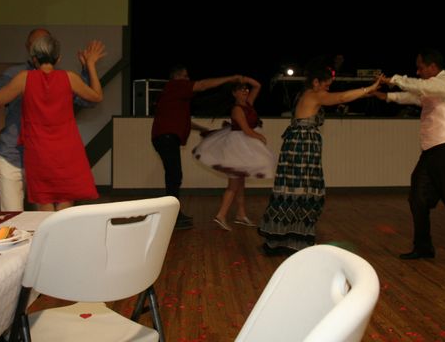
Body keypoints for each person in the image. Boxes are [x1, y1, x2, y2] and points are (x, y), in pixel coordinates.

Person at [0, 35, 105, 211]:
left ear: (34, 58)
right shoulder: (70, 77)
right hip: (67, 149)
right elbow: (97, 96)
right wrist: (90, 64)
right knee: (65, 201)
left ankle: (46, 238)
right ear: (58, 58)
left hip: (39, 149)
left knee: (44, 202)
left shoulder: (25, 78)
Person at [374, 48, 445, 270]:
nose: (418, 70)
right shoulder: (434, 88)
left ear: (433, 67)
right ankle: (424, 247)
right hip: (431, 151)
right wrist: (386, 96)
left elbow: (421, 87)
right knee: (417, 198)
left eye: (421, 67)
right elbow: (415, 97)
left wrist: (394, 80)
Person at [258, 63, 381, 255]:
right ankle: (294, 241)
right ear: (315, 82)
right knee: (304, 189)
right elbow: (340, 97)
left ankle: (280, 240)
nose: (327, 89)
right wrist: (369, 88)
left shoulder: (305, 94)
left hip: (297, 144)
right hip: (302, 147)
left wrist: (366, 93)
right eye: (326, 85)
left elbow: (340, 98)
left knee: (293, 188)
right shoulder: (314, 95)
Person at [151, 65, 242, 230]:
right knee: (174, 176)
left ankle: (174, 213)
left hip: (164, 138)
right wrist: (229, 78)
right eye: (185, 76)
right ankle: (172, 215)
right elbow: (202, 85)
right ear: (177, 76)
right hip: (166, 138)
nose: (188, 79)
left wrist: (203, 130)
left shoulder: (174, 96)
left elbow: (184, 121)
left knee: (173, 175)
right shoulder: (175, 85)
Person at [192, 76, 276, 231]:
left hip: (245, 146)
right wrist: (260, 136)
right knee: (234, 184)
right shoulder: (237, 109)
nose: (245, 91)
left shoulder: (248, 103)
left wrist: (243, 78)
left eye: (245, 89)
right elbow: (246, 130)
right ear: (234, 94)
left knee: (240, 182)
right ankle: (221, 215)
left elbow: (257, 85)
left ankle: (241, 214)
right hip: (238, 146)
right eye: (241, 89)